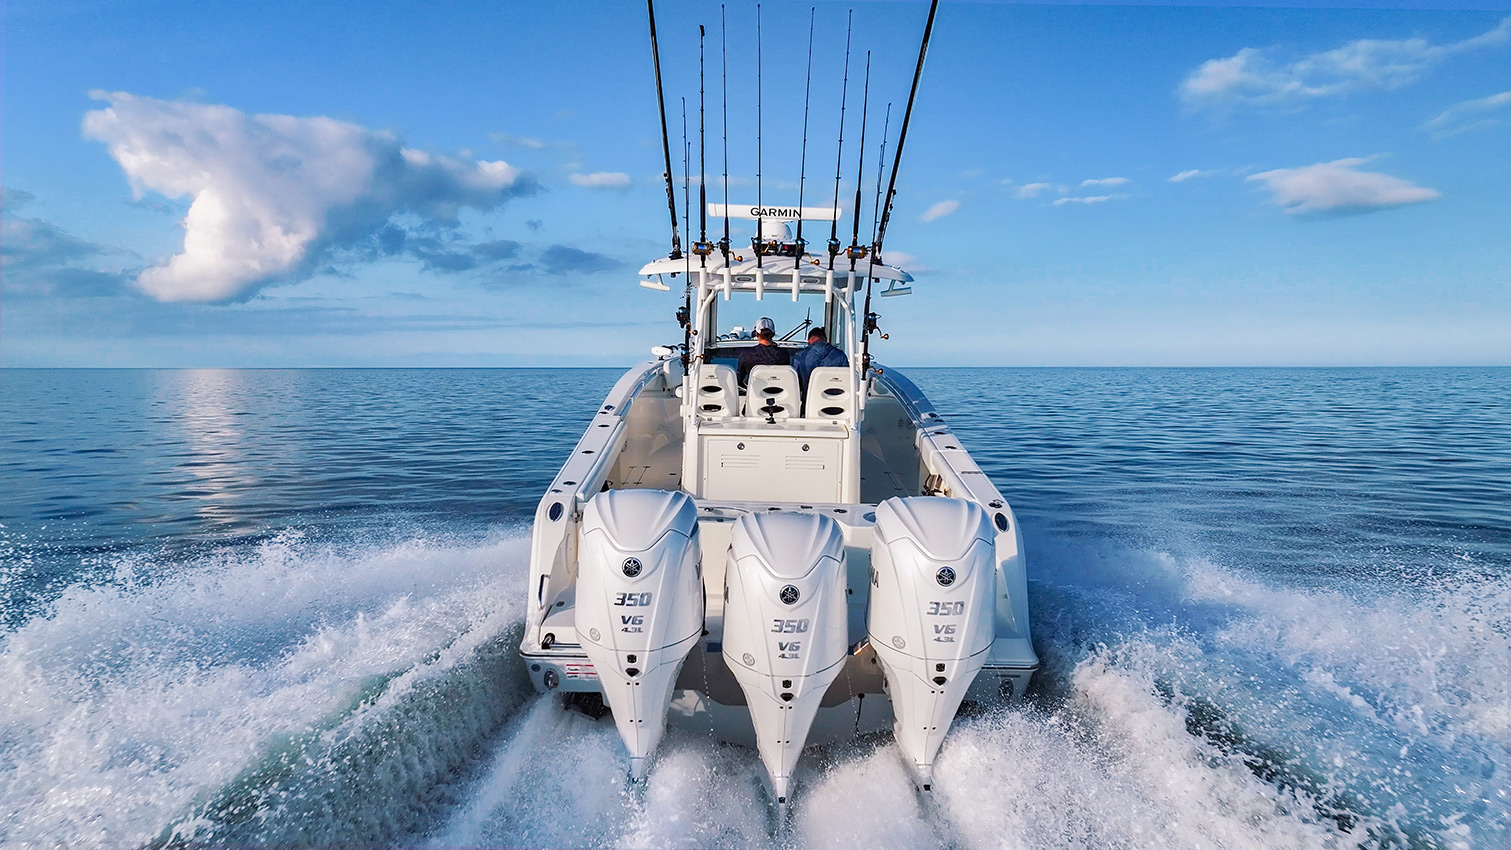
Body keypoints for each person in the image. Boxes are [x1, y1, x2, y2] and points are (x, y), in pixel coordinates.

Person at [790, 326, 849, 393]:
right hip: (835, 398)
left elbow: (794, 384)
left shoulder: (799, 356)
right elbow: (846, 381)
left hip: (808, 399)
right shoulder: (841, 355)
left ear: (808, 340)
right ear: (825, 339)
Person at [736, 316, 790, 386]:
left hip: (753, 393)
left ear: (756, 333)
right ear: (773, 334)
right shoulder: (784, 354)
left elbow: (738, 380)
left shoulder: (746, 354)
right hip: (780, 392)